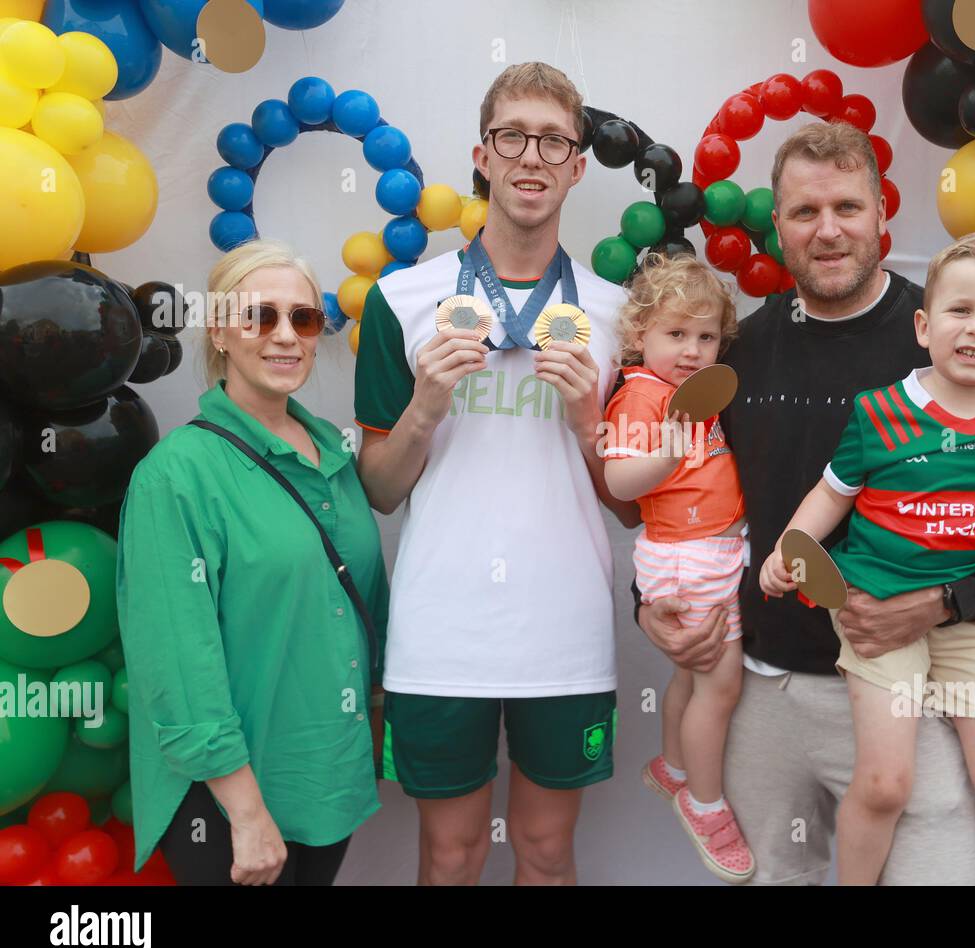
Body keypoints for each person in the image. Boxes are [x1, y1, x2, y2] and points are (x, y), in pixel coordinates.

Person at [635, 122, 975, 885]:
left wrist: (947, 601)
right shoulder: (739, 353)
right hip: (763, 690)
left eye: (848, 206)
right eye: (804, 212)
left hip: (918, 692)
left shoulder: (957, 332)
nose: (828, 230)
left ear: (882, 212)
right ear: (776, 225)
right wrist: (650, 599)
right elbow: (678, 495)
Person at [353, 62, 637, 886]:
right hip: (442, 631)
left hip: (565, 627)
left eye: (555, 141)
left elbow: (631, 508)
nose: (532, 157)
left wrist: (591, 426)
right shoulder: (404, 298)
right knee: (451, 855)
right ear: (483, 154)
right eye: (513, 136)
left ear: (578, 166)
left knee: (547, 853)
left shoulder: (618, 308)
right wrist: (425, 406)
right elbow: (379, 487)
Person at [760, 230, 975, 885]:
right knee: (886, 783)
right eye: (960, 310)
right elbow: (832, 492)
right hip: (877, 609)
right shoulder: (879, 412)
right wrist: (789, 550)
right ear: (923, 324)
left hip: (970, 621)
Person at [117, 239, 389, 885]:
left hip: (325, 776)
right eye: (258, 316)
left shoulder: (335, 457)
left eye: (302, 317)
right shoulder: (178, 473)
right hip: (227, 793)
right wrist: (244, 809)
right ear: (219, 329)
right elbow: (176, 657)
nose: (285, 335)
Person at [601, 253, 752, 882]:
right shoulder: (642, 396)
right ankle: (705, 803)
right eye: (676, 334)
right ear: (641, 336)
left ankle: (673, 766)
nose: (692, 350)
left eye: (706, 336)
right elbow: (617, 477)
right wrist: (662, 460)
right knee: (721, 684)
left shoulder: (688, 393)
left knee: (692, 676)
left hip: (706, 551)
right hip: (686, 556)